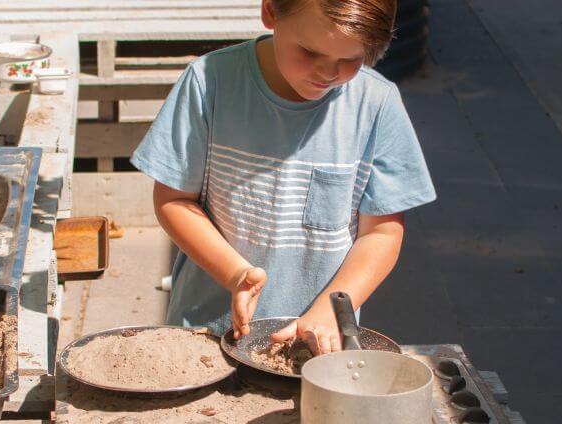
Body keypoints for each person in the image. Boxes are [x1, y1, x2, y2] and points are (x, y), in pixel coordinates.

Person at [129, 0, 435, 356]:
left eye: (351, 60)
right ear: (271, 11)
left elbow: (381, 233)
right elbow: (173, 200)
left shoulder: (377, 103)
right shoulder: (208, 81)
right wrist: (234, 275)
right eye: (309, 52)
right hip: (207, 334)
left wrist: (332, 308)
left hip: (317, 344)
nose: (327, 73)